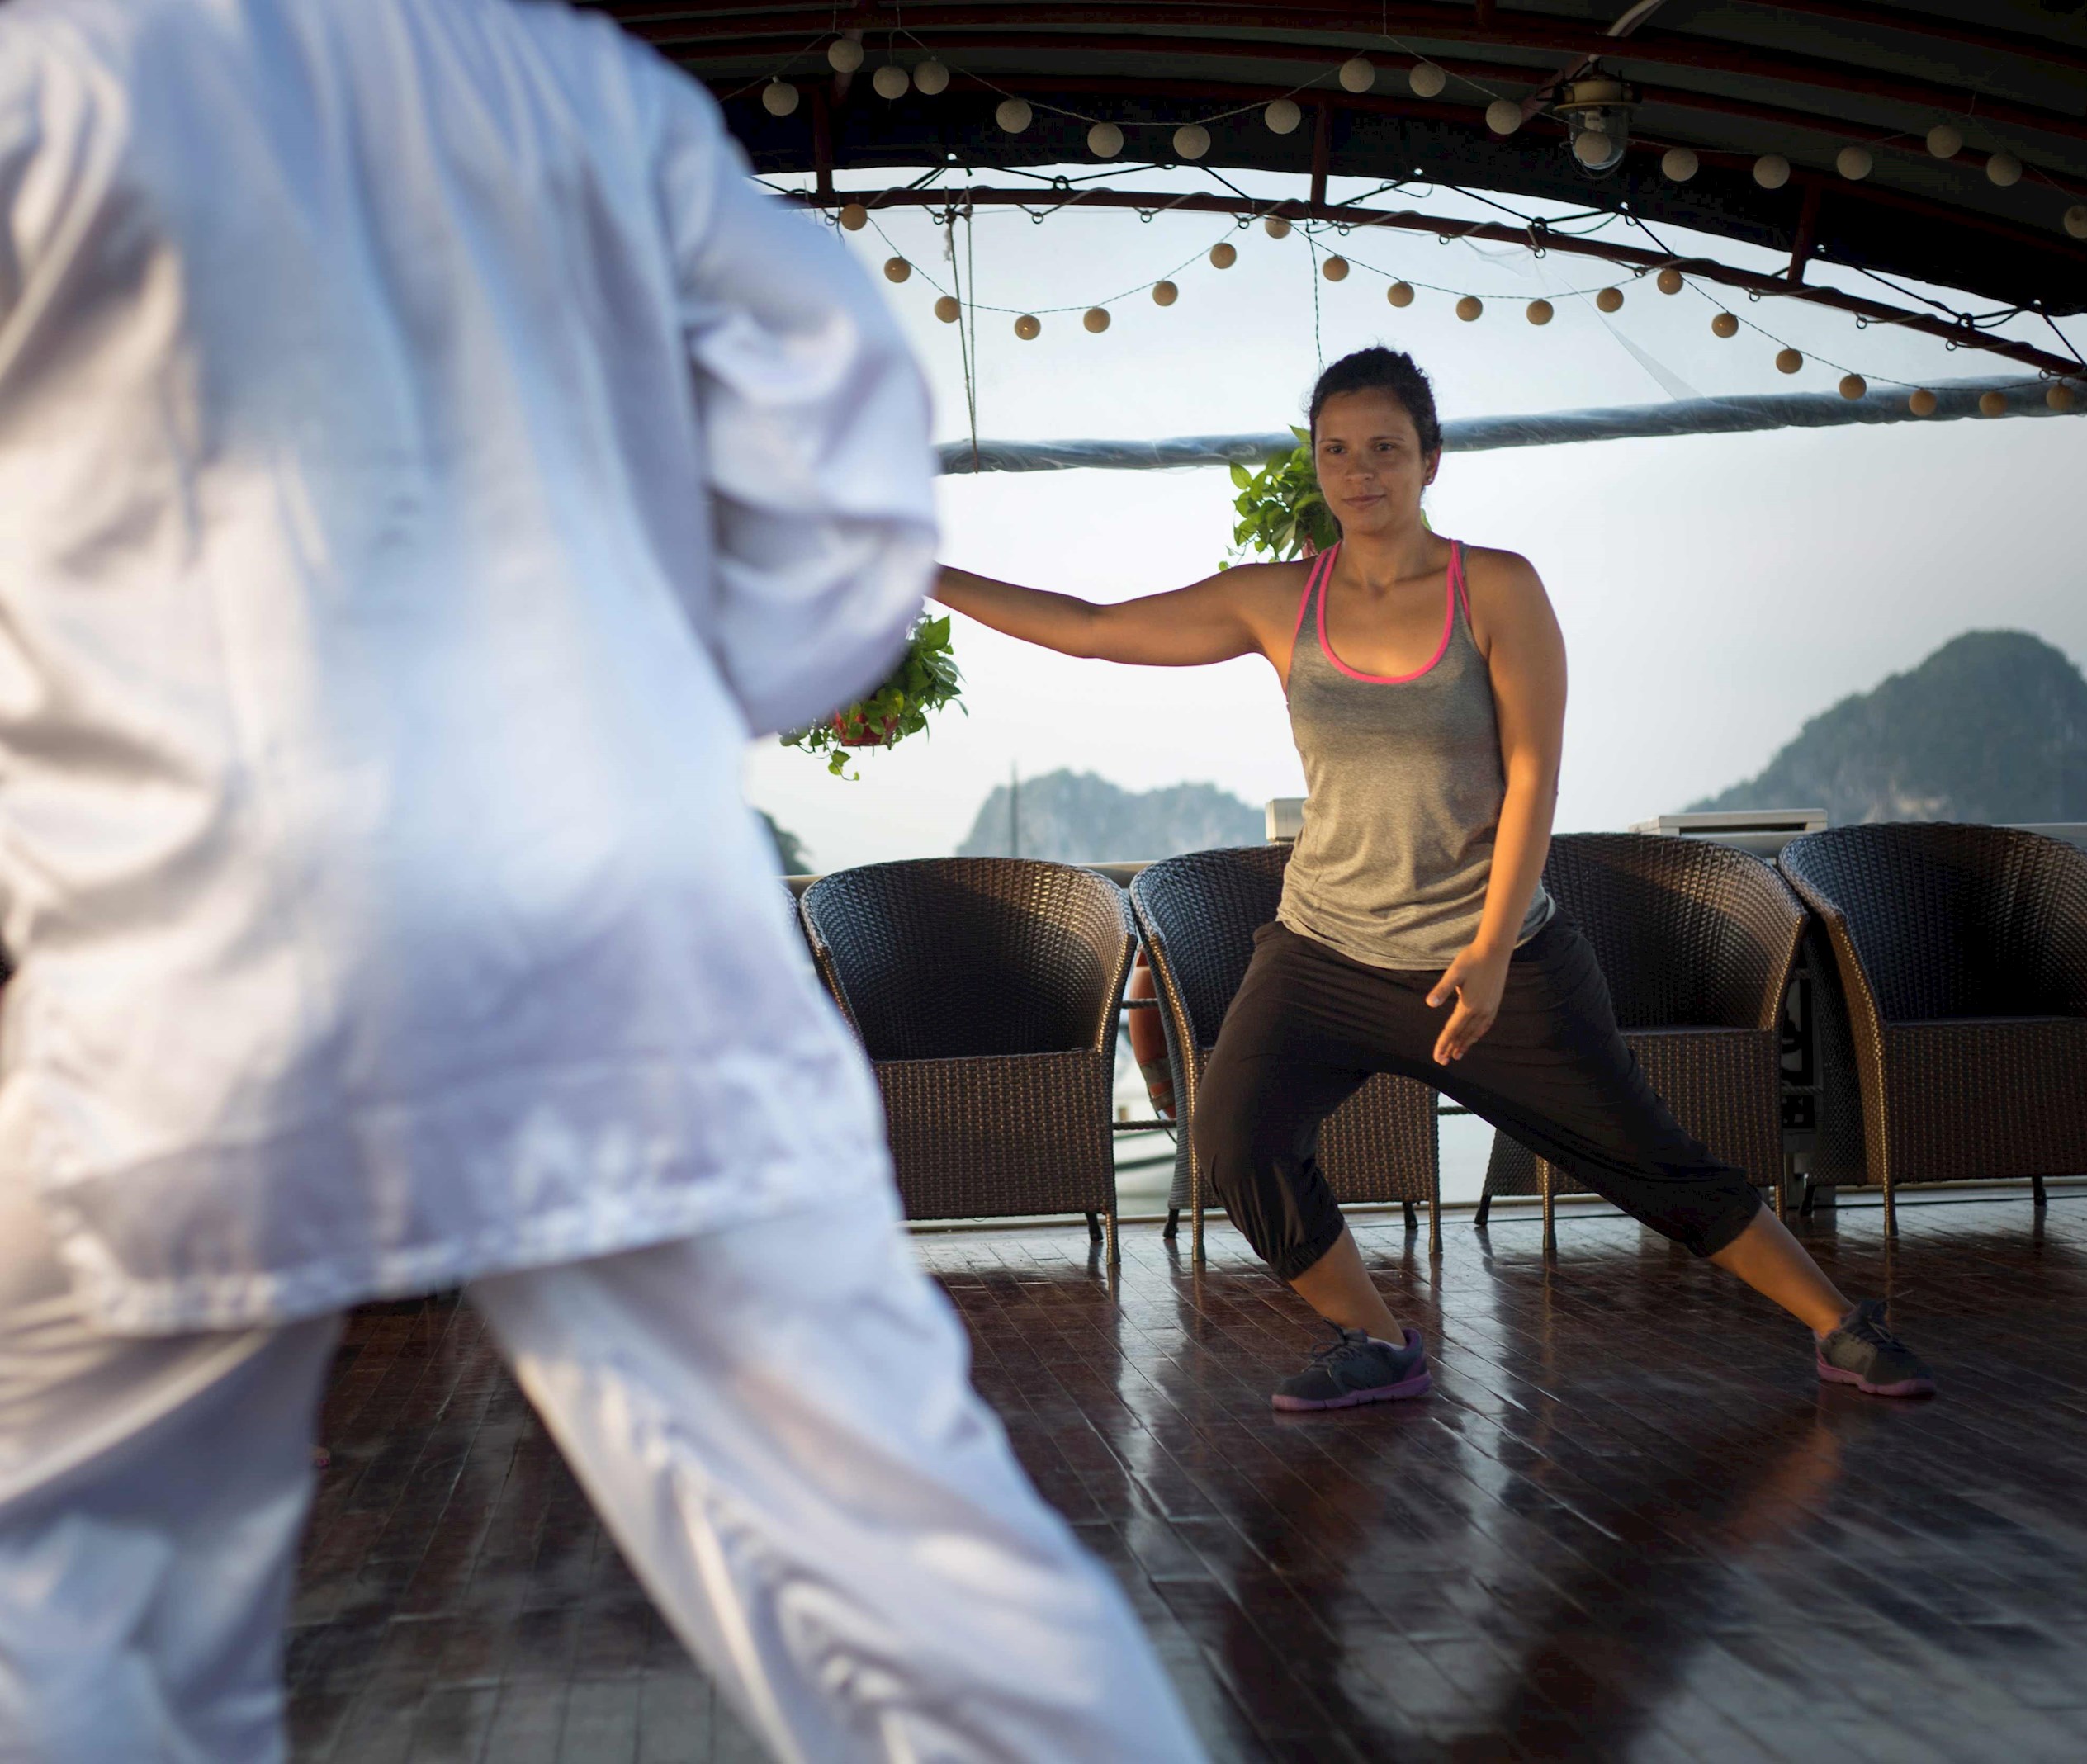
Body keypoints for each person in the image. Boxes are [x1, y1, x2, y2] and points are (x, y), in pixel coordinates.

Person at [0, 2, 1206, 1759]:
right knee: (926, 1580)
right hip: (622, 932)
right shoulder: (583, 92)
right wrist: (630, 709)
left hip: (197, 945)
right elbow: (847, 504)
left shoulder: (49, 79)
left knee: (67, 1596)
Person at [935, 345, 1933, 1412]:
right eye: (1337, 451)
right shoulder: (1279, 601)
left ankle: (1839, 1323)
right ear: (1314, 464)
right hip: (1322, 950)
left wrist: (1495, 950)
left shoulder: (1496, 587)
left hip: (1491, 957)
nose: (1361, 471)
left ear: (1430, 460)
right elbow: (1089, 630)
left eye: (1385, 449)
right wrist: (927, 573)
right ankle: (1375, 1337)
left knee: (1646, 1157)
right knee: (1235, 1142)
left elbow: (1534, 768)